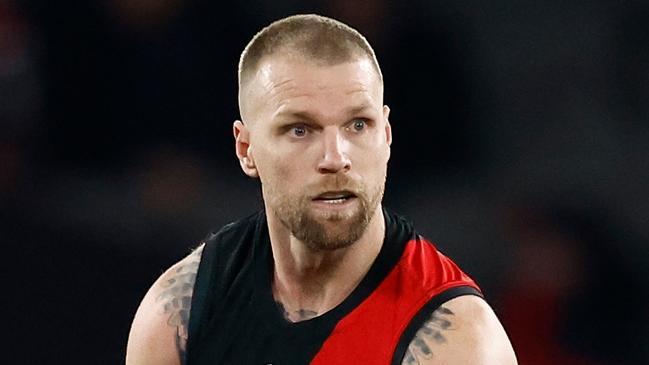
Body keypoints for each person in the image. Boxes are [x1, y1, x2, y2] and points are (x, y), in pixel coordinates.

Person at [126, 14, 517, 365]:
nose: (336, 157)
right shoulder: (182, 312)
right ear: (247, 150)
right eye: (300, 129)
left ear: (387, 135)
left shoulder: (453, 341)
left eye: (357, 125)